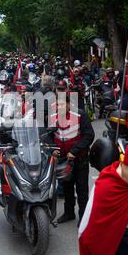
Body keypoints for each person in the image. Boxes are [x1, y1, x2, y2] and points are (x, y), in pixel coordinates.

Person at [47, 95, 95, 226]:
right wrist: (53, 149)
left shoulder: (80, 115)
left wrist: (74, 151)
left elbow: (89, 135)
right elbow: (47, 136)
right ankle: (69, 213)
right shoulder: (52, 117)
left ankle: (84, 217)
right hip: (62, 160)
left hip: (80, 158)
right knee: (67, 187)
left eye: (62, 104)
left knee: (82, 189)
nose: (59, 107)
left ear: (69, 103)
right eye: (57, 105)